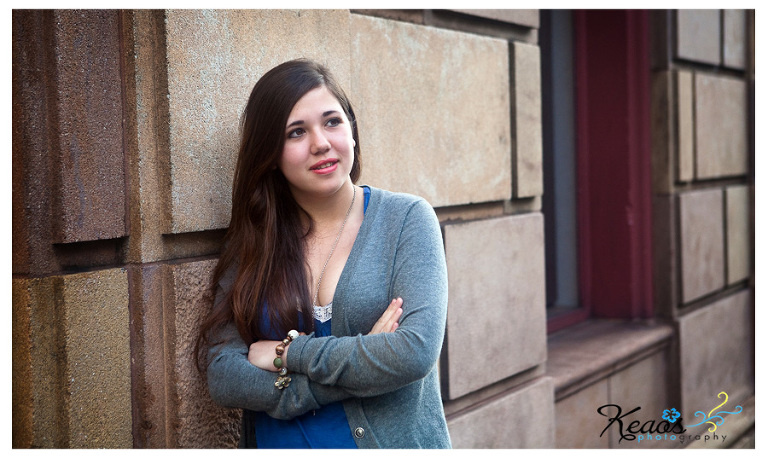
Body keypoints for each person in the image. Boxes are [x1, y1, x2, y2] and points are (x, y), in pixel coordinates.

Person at [196, 58, 451, 449]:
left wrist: (286, 353)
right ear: (272, 154)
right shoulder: (253, 239)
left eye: (332, 121)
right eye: (296, 132)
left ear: (351, 130)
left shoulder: (406, 220)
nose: (320, 142)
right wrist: (360, 366)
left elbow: (412, 354)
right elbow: (224, 376)